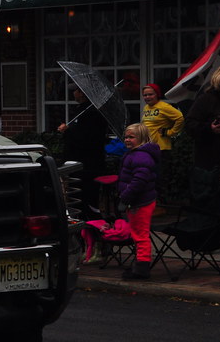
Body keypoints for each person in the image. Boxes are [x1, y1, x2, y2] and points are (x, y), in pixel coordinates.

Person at [185, 64, 220, 218]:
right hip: (214, 166)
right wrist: (209, 128)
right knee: (217, 210)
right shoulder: (208, 99)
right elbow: (190, 125)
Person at [57, 84, 109, 217]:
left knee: (87, 197)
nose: (73, 93)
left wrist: (67, 131)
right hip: (77, 162)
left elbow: (86, 138)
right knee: (76, 196)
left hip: (87, 164)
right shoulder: (81, 110)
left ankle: (90, 224)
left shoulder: (93, 113)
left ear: (82, 93)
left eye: (75, 90)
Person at [117, 123, 160, 280]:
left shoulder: (141, 156)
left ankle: (142, 269)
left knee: (140, 235)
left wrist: (126, 196)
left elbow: (139, 180)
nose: (127, 140)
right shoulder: (135, 154)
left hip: (140, 202)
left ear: (141, 138)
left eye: (131, 137)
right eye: (126, 137)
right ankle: (139, 265)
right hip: (138, 201)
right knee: (137, 234)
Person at [140, 82, 183, 204]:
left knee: (159, 177)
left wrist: (170, 132)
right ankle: (153, 203)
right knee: (150, 176)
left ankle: (162, 204)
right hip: (148, 148)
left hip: (161, 148)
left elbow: (180, 117)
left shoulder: (164, 106)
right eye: (145, 95)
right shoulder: (146, 108)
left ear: (157, 94)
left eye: (150, 94)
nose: (147, 97)